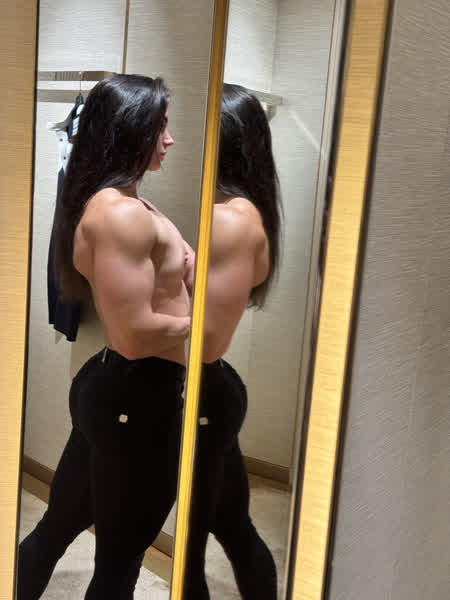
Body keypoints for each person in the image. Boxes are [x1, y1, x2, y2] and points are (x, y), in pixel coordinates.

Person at [18, 74, 192, 599]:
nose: (169, 139)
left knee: (61, 525)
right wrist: (201, 321)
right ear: (130, 129)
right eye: (160, 127)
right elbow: (135, 336)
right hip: (136, 398)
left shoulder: (128, 203)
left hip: (123, 393)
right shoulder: (119, 214)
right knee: (120, 559)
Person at [184, 83, 282, 599]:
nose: (172, 140)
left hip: (201, 393)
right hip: (208, 393)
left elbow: (205, 342)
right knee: (232, 527)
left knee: (191, 548)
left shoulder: (229, 220)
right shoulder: (229, 210)